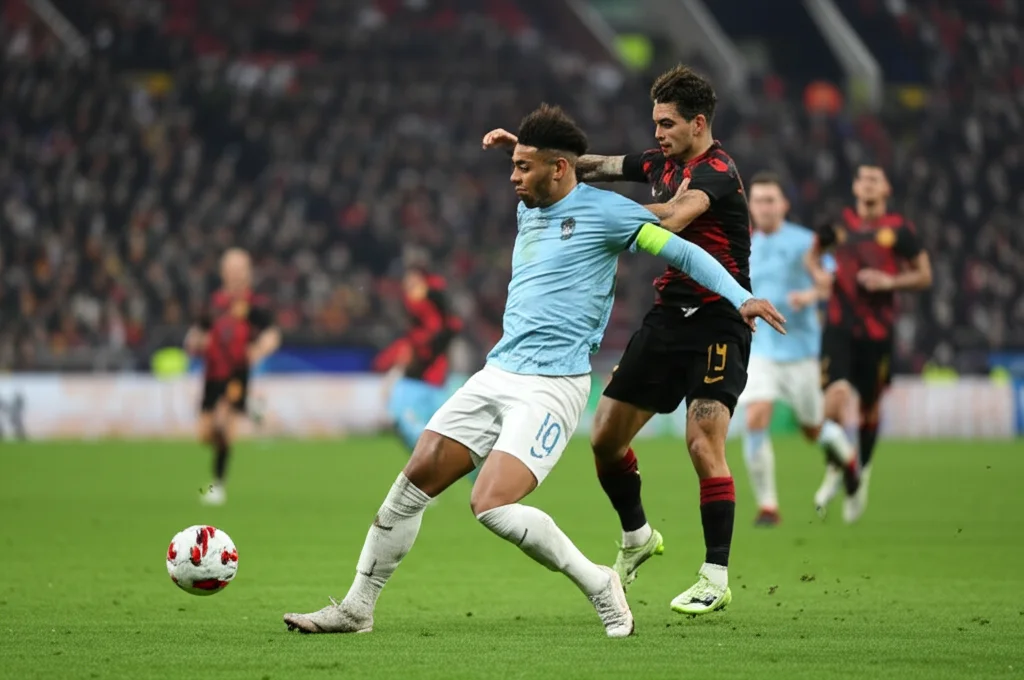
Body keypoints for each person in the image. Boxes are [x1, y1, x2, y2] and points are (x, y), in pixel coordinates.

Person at [283, 104, 785, 637]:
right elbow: (557, 166)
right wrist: (523, 147)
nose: (513, 178)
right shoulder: (531, 205)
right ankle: (357, 608)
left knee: (489, 503)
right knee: (408, 488)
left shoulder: (611, 214)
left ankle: (599, 582)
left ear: (559, 169)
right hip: (497, 372)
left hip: (552, 387)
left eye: (523, 167)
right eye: (514, 166)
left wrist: (741, 297)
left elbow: (684, 254)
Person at [541, 64, 752, 615]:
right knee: (605, 438)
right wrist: (535, 154)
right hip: (668, 318)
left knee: (703, 442)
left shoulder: (717, 171)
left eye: (667, 123)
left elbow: (675, 218)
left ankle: (715, 575)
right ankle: (637, 537)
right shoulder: (658, 162)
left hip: (719, 320)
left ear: (698, 123)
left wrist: (599, 217)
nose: (657, 133)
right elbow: (594, 165)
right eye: (655, 123)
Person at [808, 165, 932, 522]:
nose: (868, 185)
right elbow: (812, 255)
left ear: (886, 188)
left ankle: (861, 475)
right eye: (863, 179)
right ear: (854, 186)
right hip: (838, 326)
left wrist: (889, 282)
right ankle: (839, 469)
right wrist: (820, 275)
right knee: (833, 401)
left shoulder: (899, 230)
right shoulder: (839, 224)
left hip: (877, 333)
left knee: (869, 409)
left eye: (875, 179)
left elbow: (924, 275)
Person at [736, 172, 859, 526]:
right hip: (761, 350)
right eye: (758, 201)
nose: (764, 207)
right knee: (756, 416)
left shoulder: (807, 243)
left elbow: (829, 282)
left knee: (812, 430)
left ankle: (848, 459)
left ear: (784, 205)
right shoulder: (745, 246)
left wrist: (811, 294)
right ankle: (768, 507)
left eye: (770, 200)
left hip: (801, 352)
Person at [184, 248, 281, 506]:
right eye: (232, 269)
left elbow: (272, 334)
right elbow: (197, 334)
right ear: (223, 272)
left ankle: (217, 485)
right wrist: (196, 342)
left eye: (241, 269)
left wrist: (258, 349)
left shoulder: (253, 305)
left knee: (223, 422)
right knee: (205, 433)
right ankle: (251, 407)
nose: (236, 274)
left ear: (248, 273)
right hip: (212, 376)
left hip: (237, 375)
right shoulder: (214, 304)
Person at [375, 267, 462, 453]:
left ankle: (430, 456)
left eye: (414, 283)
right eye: (407, 284)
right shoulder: (416, 322)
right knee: (409, 424)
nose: (409, 289)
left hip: (431, 382)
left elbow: (448, 325)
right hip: (421, 381)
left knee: (430, 432)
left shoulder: (439, 319)